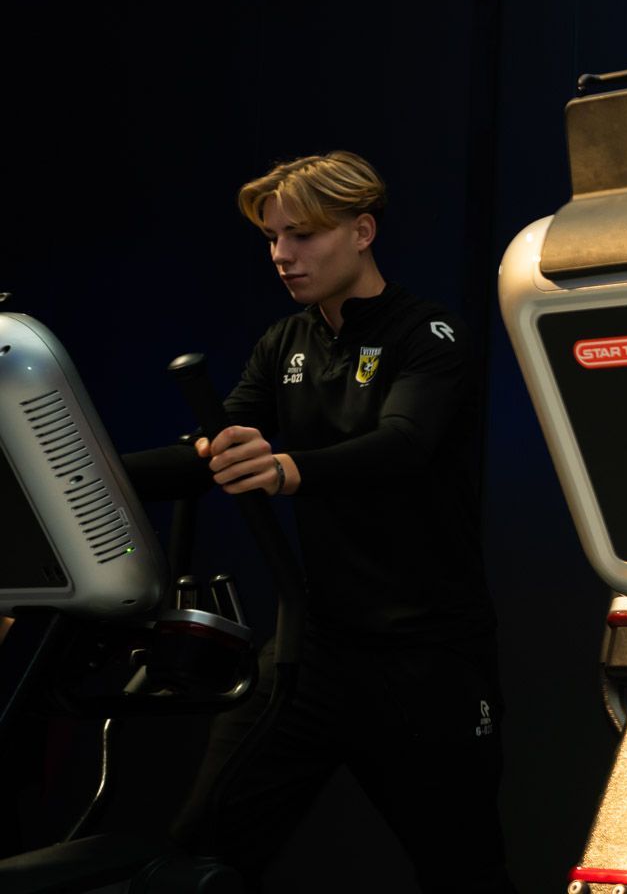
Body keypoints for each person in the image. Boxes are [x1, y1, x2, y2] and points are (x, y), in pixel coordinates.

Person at [122, 151, 512, 892]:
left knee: (466, 873)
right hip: (318, 652)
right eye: (272, 238)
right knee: (197, 856)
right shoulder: (285, 344)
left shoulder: (430, 335)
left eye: (302, 235)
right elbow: (213, 451)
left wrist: (287, 469)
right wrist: (78, 476)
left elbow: (404, 444)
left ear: (362, 231)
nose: (282, 255)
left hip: (427, 658)